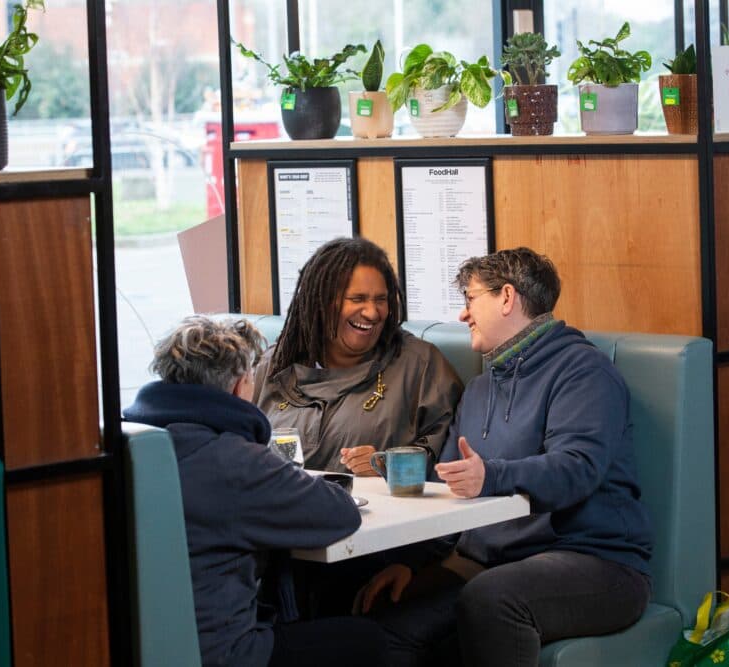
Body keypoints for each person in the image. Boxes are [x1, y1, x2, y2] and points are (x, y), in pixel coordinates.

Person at [359, 247, 654, 667]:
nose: (463, 315)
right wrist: (410, 562)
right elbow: (448, 486)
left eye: (470, 299)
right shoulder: (480, 389)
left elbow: (577, 468)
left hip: (597, 562)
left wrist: (490, 476)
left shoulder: (583, 372)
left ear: (507, 298)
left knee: (492, 598)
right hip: (491, 563)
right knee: (385, 627)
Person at [122, 315, 389, 667]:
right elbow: (339, 513)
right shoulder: (233, 460)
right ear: (239, 386)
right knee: (367, 640)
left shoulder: (128, 445)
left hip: (131, 647)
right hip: (222, 654)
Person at [253, 236, 464, 475]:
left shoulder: (420, 366)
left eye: (381, 300)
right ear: (320, 303)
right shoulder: (275, 366)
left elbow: (449, 461)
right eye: (358, 299)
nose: (372, 313)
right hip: (279, 507)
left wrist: (388, 466)